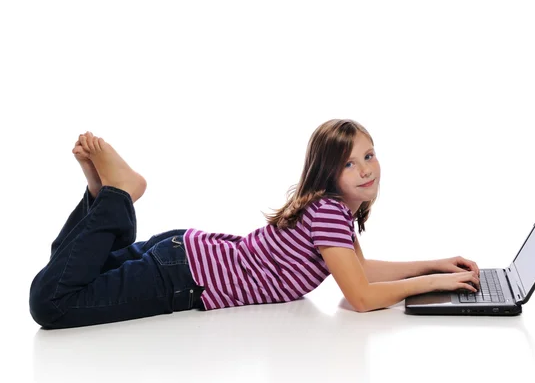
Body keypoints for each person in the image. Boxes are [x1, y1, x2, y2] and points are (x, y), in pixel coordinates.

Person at [29, 119, 480, 329]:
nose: (366, 169)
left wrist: (435, 267)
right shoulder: (327, 213)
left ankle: (100, 194)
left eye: (369, 154)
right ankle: (117, 194)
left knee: (65, 274)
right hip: (183, 277)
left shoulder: (330, 212)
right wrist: (432, 285)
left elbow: (362, 272)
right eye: (350, 164)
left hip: (183, 255)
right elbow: (359, 296)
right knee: (51, 303)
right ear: (327, 174)